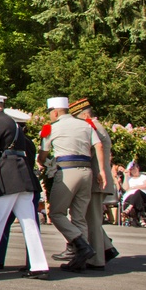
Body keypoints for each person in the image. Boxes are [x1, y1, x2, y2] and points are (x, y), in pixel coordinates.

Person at [0, 97, 49, 279]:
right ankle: (39, 265)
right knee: (29, 224)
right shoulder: (13, 124)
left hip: (7, 177)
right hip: (23, 175)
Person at [38, 95, 107, 272]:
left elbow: (43, 153)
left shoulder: (50, 128)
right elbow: (98, 146)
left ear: (54, 112)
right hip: (86, 171)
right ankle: (79, 260)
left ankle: (80, 244)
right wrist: (101, 171)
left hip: (66, 170)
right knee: (79, 216)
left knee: (56, 212)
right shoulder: (85, 125)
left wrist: (42, 161)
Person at [70, 98, 120, 266]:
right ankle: (107, 248)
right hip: (96, 178)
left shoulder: (92, 127)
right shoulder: (96, 126)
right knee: (90, 218)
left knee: (92, 221)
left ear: (84, 115)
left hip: (95, 179)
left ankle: (97, 259)